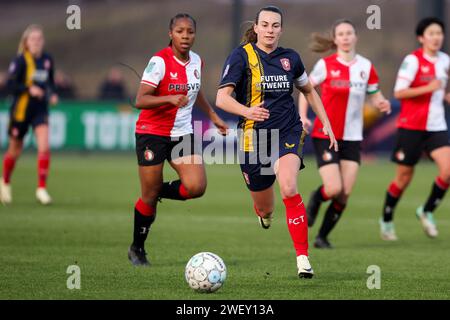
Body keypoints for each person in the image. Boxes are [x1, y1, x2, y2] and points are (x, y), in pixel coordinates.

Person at [216, 6, 337, 278]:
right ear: (256, 28)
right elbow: (222, 98)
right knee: (265, 206)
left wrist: (326, 122)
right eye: (265, 25)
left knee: (289, 186)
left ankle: (303, 258)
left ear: (281, 29)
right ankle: (264, 214)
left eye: (275, 25)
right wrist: (247, 111)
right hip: (254, 136)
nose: (270, 30)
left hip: (288, 130)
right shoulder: (241, 56)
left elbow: (308, 89)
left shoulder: (290, 58)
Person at [129, 13, 228, 266]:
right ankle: (137, 248)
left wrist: (213, 115)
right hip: (152, 132)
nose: (186, 36)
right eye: (180, 31)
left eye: (190, 32)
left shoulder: (197, 61)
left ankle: (155, 189)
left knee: (196, 187)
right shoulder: (159, 62)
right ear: (170, 34)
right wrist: (168, 98)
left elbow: (197, 92)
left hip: (182, 132)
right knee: (148, 197)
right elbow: (140, 99)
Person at [299, 19, 391, 248]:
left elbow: (375, 94)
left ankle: (322, 237)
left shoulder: (366, 66)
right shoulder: (325, 65)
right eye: (341, 34)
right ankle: (316, 198)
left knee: (344, 194)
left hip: (352, 137)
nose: (346, 37)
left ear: (355, 37)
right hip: (326, 134)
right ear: (335, 39)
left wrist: (382, 103)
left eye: (349, 33)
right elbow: (305, 90)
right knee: (333, 188)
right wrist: (303, 116)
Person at [379, 17, 450, 240]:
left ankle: (426, 211)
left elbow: (443, 92)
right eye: (431, 33)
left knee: (448, 171)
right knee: (403, 178)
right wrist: (428, 87)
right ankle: (387, 219)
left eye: (439, 33)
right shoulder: (412, 61)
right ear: (421, 38)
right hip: (411, 126)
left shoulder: (445, 61)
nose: (436, 37)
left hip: (436, 126)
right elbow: (399, 92)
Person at [0, 24, 58, 205]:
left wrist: (53, 94)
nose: (36, 42)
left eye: (39, 39)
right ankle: (5, 182)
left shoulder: (47, 60)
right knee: (15, 150)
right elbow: (10, 85)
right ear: (26, 42)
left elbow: (50, 83)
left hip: (40, 110)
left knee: (44, 146)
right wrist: (28, 89)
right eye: (33, 39)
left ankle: (41, 188)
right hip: (21, 111)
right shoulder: (20, 61)